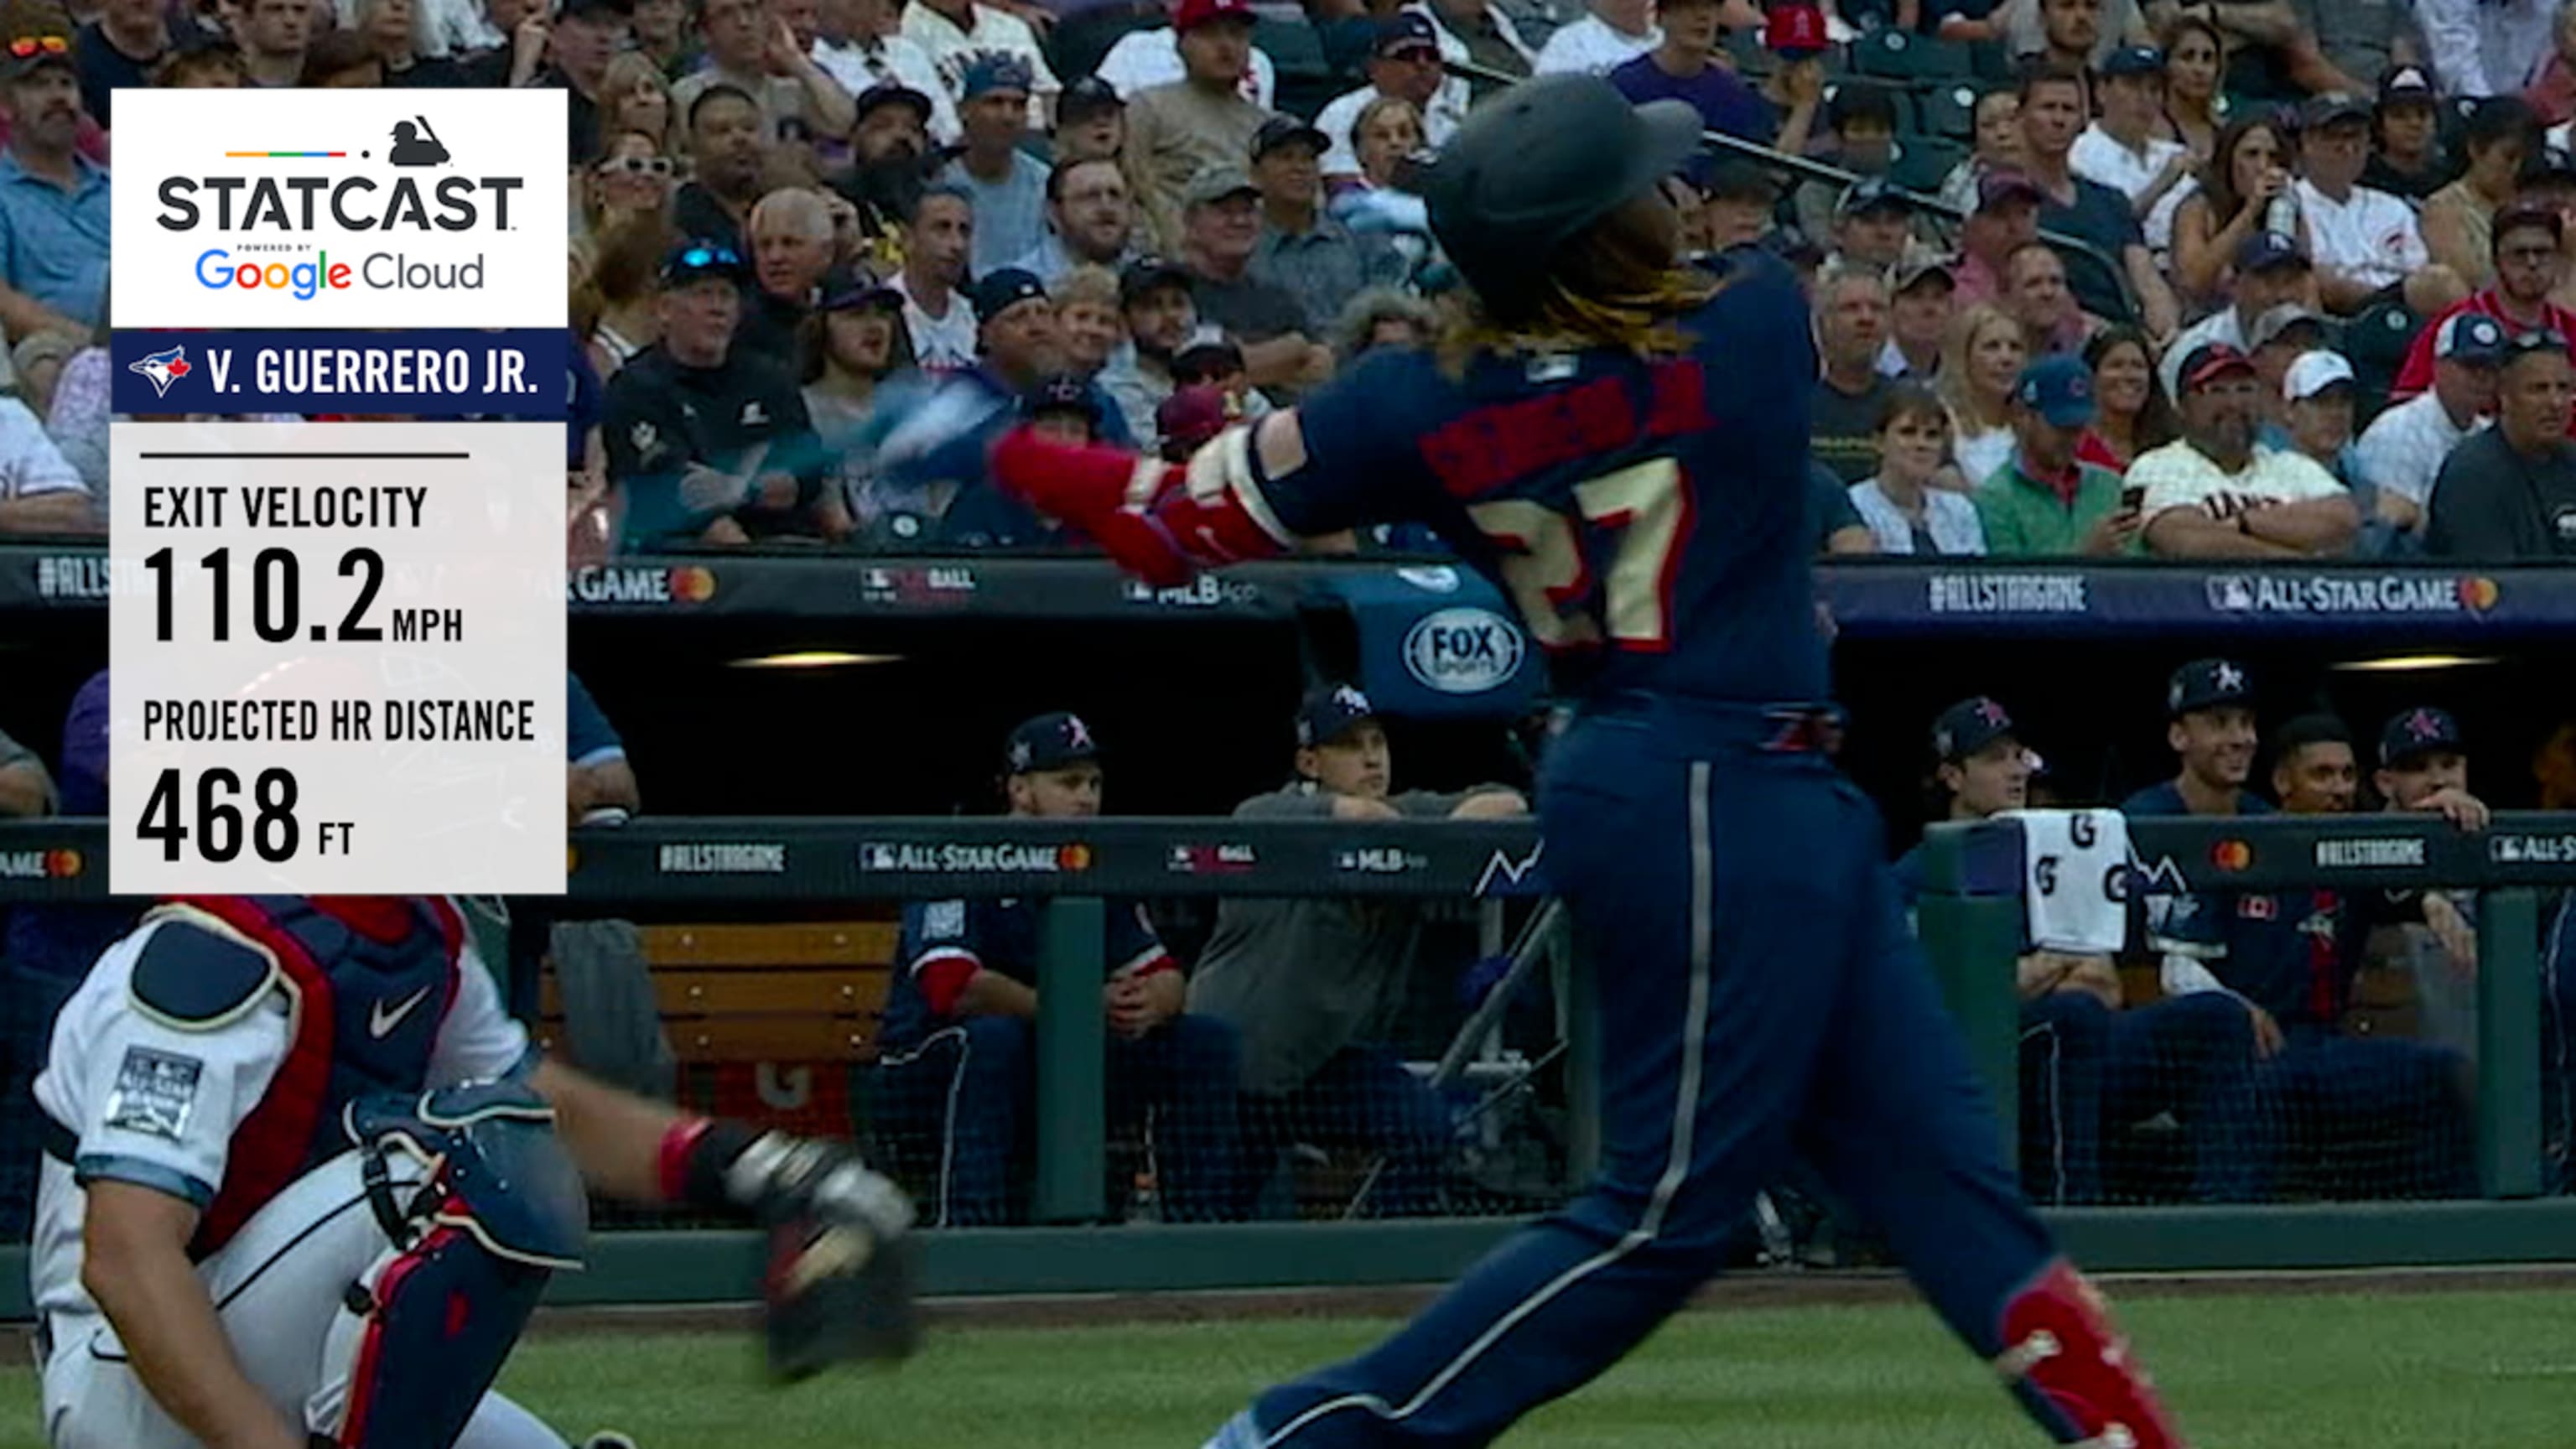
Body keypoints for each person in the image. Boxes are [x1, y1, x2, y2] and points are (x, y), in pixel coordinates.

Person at [981, 73, 2186, 1449]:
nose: (1667, 204)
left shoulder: (1414, 398)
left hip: (1694, 775)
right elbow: (1685, 312)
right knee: (1668, 1208)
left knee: (1945, 1182)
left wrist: (1010, 449)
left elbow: (1165, 522)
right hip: (1709, 777)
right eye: (1639, 193)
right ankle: (1300, 1436)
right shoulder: (1740, 326)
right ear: (1597, 230)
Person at [32, 893, 916, 1449]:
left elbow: (549, 1105)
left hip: (264, 1345)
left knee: (498, 1136)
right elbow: (125, 1258)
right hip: (127, 1385)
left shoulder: (418, 930)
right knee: (450, 1161)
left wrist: (763, 1170)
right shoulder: (215, 952)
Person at [1892, 697, 2267, 1207]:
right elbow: (1950, 1004)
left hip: (2085, 1049)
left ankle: (2230, 1221)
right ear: (1953, 776)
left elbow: (2107, 985)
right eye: (1995, 758)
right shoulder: (1918, 872)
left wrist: (2024, 975)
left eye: (2019, 755)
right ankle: (2075, 1215)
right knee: (2071, 1015)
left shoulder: (2065, 852)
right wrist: (2052, 968)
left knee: (2216, 1019)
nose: (2016, 770)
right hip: (1985, 1070)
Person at [874, 714, 1242, 1226]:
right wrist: (1078, 1008)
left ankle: (1199, 1236)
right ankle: (968, 1237)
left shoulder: (1096, 865)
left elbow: (1165, 972)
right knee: (992, 1041)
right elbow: (951, 987)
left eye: (1093, 783)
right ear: (1020, 790)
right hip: (926, 1071)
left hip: (1052, 1064)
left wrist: (1150, 1003)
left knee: (1204, 1041)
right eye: (1068, 783)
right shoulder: (959, 854)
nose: (1086, 797)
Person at [1188, 686, 1529, 1219]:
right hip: (1236, 1069)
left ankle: (1364, 1260)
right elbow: (1321, 817)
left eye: (1377, 742)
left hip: (1321, 1068)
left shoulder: (1401, 814)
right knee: (1208, 1227)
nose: (1371, 757)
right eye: (1349, 746)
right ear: (1309, 761)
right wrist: (1415, 831)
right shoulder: (1274, 813)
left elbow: (1506, 802)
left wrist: (1426, 831)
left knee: (1425, 1130)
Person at [2133, 341, 2360, 558]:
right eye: (2217, 390)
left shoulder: (2290, 466)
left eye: (2245, 389)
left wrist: (2244, 523)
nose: (2234, 403)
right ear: (2182, 406)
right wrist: (2293, 563)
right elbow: (2183, 540)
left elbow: (2343, 519)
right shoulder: (2158, 465)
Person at [2395, 205, 2576, 397]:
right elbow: (2406, 399)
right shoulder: (2455, 325)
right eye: (2519, 254)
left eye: (2542, 253)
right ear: (2496, 259)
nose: (2532, 263)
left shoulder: (2569, 327)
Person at [2427, 325, 2576, 557]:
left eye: (2564, 389)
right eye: (2538, 390)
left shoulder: (2572, 461)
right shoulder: (2473, 473)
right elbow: (2494, 582)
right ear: (2505, 397)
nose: (2555, 402)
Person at [2355, 310, 2504, 536]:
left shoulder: (2489, 433)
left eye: (2491, 368)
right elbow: (2386, 535)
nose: (2482, 377)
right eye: (2470, 366)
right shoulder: (2396, 432)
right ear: (2438, 367)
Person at [1976, 353, 2138, 555]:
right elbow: (2011, 582)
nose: (2072, 438)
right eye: (2061, 426)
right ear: (2023, 417)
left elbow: (2137, 567)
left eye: (2079, 428)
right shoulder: (1997, 497)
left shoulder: (2109, 485)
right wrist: (2085, 555)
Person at [1850, 385, 1986, 553]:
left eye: (1932, 435)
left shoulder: (1959, 510)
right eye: (1908, 432)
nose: (1921, 444)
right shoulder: (1854, 507)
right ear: (1879, 442)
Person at [2075, 323, 2179, 473]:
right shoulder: (2075, 445)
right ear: (2092, 376)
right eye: (2116, 366)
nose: (2129, 375)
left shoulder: (2169, 447)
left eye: (2138, 366)